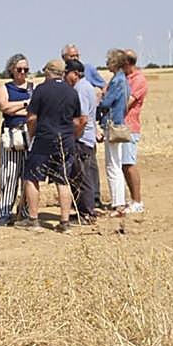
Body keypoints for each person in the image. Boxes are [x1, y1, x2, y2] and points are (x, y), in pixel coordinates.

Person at [21, 60, 83, 233]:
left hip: (44, 139)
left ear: (48, 72)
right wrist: (72, 136)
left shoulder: (41, 90)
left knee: (32, 177)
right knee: (62, 180)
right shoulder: (72, 92)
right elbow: (77, 120)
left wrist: (31, 135)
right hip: (66, 141)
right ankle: (64, 222)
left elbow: (32, 118)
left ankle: (33, 220)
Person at [0, 54, 32, 226]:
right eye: (19, 69)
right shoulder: (5, 88)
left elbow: (34, 110)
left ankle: (23, 211)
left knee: (27, 175)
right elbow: (4, 107)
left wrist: (14, 108)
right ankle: (4, 211)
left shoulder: (32, 88)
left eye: (26, 69)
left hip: (29, 134)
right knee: (8, 174)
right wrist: (25, 104)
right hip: (10, 135)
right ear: (12, 70)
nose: (22, 73)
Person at [101, 49, 131, 214]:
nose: (107, 64)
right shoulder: (125, 80)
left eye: (109, 61)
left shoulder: (116, 81)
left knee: (112, 165)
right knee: (117, 164)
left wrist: (100, 97)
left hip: (112, 125)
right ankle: (120, 201)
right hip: (120, 124)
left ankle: (117, 203)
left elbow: (107, 102)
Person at [70, 59, 100, 223]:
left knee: (82, 177)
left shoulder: (80, 89)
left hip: (82, 139)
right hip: (87, 138)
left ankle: (87, 213)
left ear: (75, 74)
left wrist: (74, 136)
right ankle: (85, 211)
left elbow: (82, 118)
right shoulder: (87, 86)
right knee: (84, 176)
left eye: (67, 73)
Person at [123, 49, 147, 213]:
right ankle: (132, 199)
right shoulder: (124, 78)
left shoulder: (138, 80)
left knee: (129, 164)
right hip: (121, 127)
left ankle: (137, 201)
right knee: (124, 165)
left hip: (130, 127)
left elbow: (126, 103)